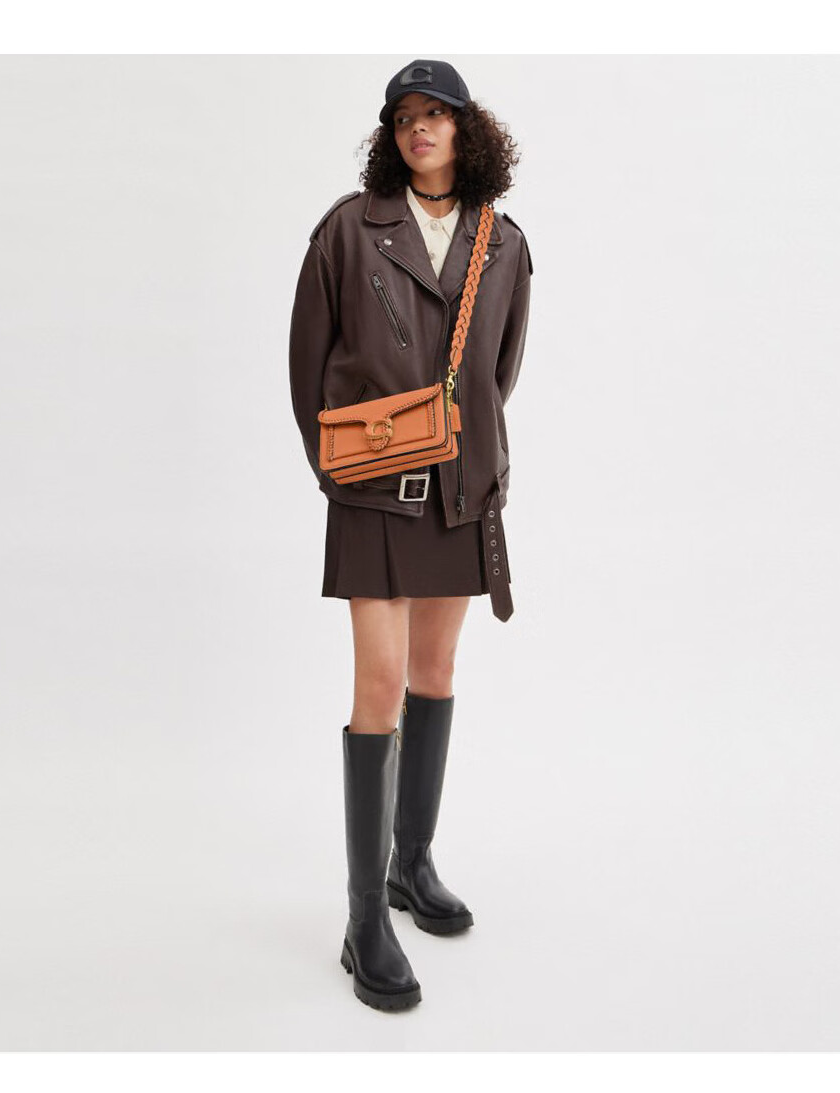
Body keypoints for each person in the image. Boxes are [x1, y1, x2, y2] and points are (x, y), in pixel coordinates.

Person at [288, 58, 533, 1012]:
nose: (419, 129)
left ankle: (411, 863)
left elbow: (499, 373)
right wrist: (341, 472)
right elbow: (307, 365)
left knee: (435, 672)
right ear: (390, 135)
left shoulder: (503, 243)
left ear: (469, 130)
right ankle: (363, 922)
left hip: (459, 491)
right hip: (372, 489)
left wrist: (464, 457)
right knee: (379, 685)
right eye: (404, 117)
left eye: (437, 114)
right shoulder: (349, 229)